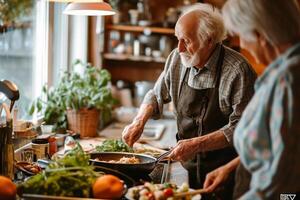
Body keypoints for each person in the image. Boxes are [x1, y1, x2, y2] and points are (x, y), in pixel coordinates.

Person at [122, 3, 256, 199]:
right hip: (186, 166)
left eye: (186, 40)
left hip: (226, 172)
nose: (179, 48)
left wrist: (196, 144)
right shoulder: (177, 58)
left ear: (209, 40)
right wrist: (139, 121)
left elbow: (242, 129)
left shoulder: (237, 71)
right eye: (177, 39)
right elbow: (156, 94)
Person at [203, 0, 300, 199]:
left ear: (259, 34)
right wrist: (230, 167)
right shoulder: (284, 72)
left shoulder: (287, 81)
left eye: (240, 35)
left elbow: (282, 182)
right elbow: (281, 148)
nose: (242, 44)